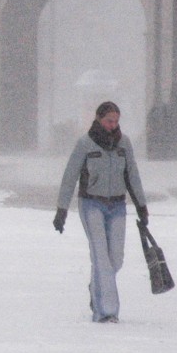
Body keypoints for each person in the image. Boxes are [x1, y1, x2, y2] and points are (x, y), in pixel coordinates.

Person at [53, 101, 148, 323]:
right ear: (98, 119)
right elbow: (69, 177)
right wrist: (61, 210)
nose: (113, 125)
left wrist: (142, 206)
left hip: (117, 206)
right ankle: (106, 312)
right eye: (108, 121)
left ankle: (96, 285)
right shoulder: (85, 144)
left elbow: (132, 175)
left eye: (116, 121)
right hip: (91, 204)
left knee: (116, 258)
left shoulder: (124, 144)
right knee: (101, 258)